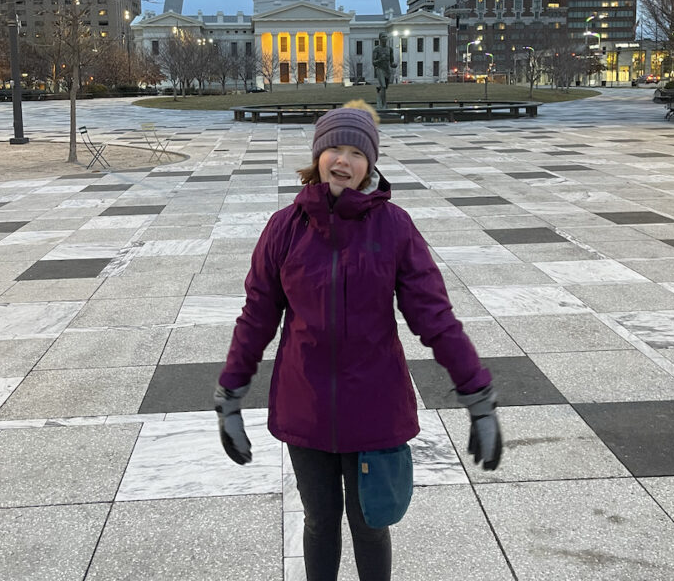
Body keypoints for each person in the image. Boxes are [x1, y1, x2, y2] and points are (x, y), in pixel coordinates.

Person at [215, 100, 502, 581]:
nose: (343, 161)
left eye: (355, 151)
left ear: (370, 162)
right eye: (334, 149)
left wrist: (479, 397)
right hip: (305, 403)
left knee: (371, 525)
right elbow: (257, 317)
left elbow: (435, 317)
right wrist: (230, 396)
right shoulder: (285, 228)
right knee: (319, 522)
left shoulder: (393, 228)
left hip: (374, 407)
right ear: (317, 156)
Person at [372, 33, 397, 109]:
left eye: (386, 36)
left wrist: (394, 64)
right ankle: (384, 105)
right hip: (380, 69)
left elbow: (391, 62)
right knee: (383, 86)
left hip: (387, 70)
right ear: (380, 39)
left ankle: (379, 89)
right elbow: (373, 62)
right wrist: (380, 59)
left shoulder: (390, 49)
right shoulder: (376, 49)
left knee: (385, 87)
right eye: (383, 37)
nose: (385, 38)